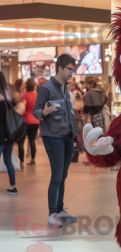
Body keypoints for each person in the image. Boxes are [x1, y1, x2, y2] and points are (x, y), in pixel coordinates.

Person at [33, 54, 78, 228]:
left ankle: (59, 209)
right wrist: (44, 113)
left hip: (67, 137)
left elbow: (69, 114)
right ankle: (52, 213)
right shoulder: (47, 89)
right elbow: (36, 111)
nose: (72, 73)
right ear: (59, 68)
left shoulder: (65, 89)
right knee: (57, 175)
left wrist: (75, 134)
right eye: (70, 69)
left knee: (63, 175)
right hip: (53, 138)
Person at [0, 71, 18, 195]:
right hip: (10, 133)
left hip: (0, 134)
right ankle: (13, 186)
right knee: (8, 160)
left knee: (7, 160)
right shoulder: (9, 96)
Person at [17, 78, 40, 169]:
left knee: (21, 142)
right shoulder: (37, 96)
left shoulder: (25, 96)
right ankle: (33, 160)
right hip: (35, 121)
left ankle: (22, 162)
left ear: (26, 86)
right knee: (32, 141)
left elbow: (23, 107)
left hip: (25, 121)